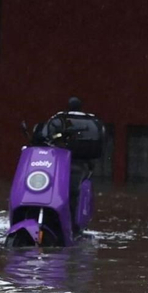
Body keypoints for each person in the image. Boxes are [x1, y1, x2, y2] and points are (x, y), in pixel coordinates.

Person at [34, 97, 106, 232]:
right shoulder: (92, 121)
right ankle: (71, 225)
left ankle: (70, 225)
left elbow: (43, 136)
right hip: (82, 164)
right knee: (73, 192)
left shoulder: (58, 119)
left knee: (67, 191)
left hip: (58, 162)